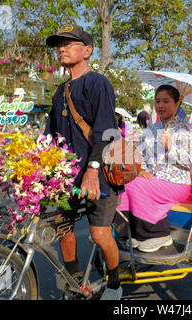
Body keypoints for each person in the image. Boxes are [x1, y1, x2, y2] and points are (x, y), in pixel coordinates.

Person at [44, 24, 122, 300]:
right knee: (62, 226)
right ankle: (75, 280)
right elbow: (49, 138)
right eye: (59, 44)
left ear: (87, 50)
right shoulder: (59, 92)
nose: (62, 48)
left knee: (100, 235)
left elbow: (106, 131)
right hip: (67, 178)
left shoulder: (97, 83)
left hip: (98, 175)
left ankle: (114, 283)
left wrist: (92, 170)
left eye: (69, 43)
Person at [117, 84, 192, 253]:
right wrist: (139, 170)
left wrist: (171, 147)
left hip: (177, 183)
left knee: (137, 185)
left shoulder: (187, 129)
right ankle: (130, 233)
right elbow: (140, 155)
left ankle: (160, 234)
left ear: (176, 104)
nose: (160, 105)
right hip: (152, 178)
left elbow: (191, 162)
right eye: (157, 101)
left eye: (166, 101)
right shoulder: (151, 129)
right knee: (125, 182)